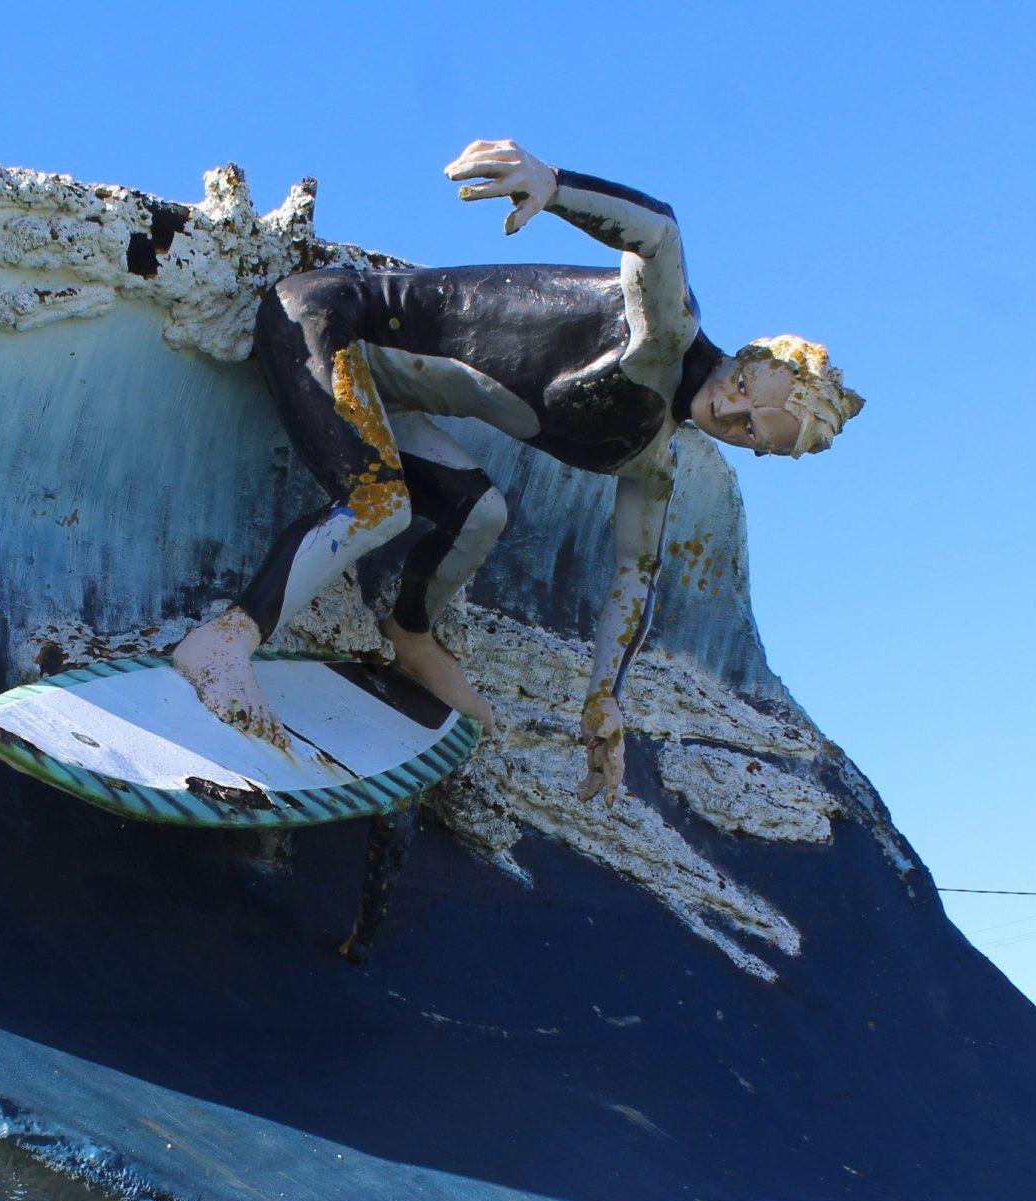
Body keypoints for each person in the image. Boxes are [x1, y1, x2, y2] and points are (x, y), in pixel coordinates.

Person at [171, 139, 863, 798]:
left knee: (483, 514)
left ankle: (410, 637)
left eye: (751, 437)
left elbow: (635, 574)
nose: (731, 418)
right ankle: (223, 644)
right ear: (748, 360)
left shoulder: (652, 460)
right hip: (322, 318)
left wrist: (604, 701)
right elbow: (657, 235)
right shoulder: (663, 334)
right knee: (381, 503)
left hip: (382, 392)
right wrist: (554, 187)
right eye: (746, 396)